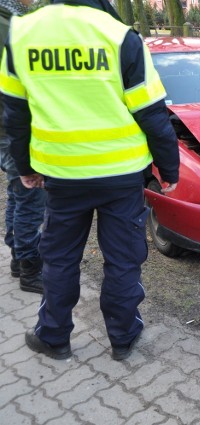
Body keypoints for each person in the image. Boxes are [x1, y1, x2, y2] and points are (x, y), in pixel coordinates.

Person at [0, 0, 180, 360]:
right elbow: (152, 114)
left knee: (61, 258)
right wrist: (169, 169)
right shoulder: (120, 37)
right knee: (123, 259)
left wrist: (25, 166)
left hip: (63, 176)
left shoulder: (21, 34)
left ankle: (53, 337)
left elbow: (14, 114)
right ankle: (123, 337)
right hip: (121, 177)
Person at [0, 0, 46, 294]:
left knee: (17, 192)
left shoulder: (10, 16)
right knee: (29, 197)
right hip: (14, 123)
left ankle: (18, 256)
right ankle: (29, 267)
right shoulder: (10, 21)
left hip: (7, 124)